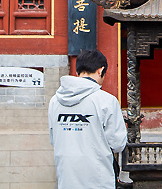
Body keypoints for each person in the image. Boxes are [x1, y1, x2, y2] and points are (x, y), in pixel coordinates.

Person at [48, 50, 128, 189]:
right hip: (98, 180)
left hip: (66, 179)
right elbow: (117, 143)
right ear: (101, 70)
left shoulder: (55, 101)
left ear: (78, 70)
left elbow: (54, 139)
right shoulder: (107, 101)